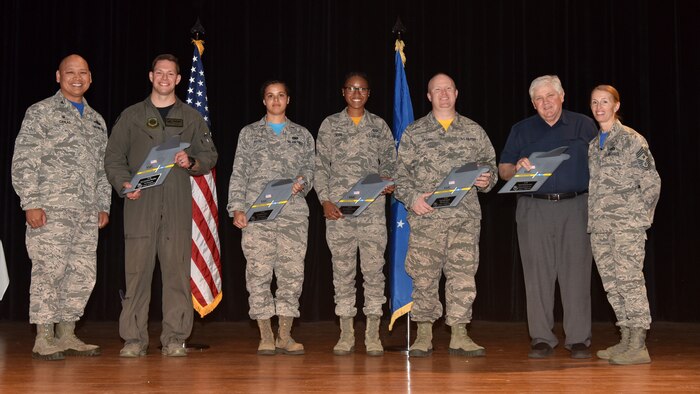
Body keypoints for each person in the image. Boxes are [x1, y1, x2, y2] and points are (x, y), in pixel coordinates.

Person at [104, 54, 218, 358]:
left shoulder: (192, 117)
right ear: (151, 76)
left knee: (177, 273)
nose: (165, 78)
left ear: (179, 79)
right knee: (137, 273)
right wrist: (124, 184)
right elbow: (113, 158)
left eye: (171, 74)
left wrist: (191, 161)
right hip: (140, 203)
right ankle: (133, 339)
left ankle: (175, 338)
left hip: (178, 205)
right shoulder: (131, 116)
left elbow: (210, 156)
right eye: (160, 73)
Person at [11, 54, 111, 360]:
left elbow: (102, 169)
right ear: (58, 76)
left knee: (82, 274)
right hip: (50, 209)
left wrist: (103, 204)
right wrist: (31, 202)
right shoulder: (41, 112)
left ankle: (67, 334)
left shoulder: (96, 120)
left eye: (83, 73)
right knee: (48, 271)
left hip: (85, 212)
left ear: (91, 78)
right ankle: (44, 336)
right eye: (70, 73)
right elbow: (25, 160)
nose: (77, 78)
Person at [395, 73, 497, 358]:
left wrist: (486, 179)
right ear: (428, 96)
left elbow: (491, 166)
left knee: (463, 277)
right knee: (424, 277)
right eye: (437, 90)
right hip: (427, 218)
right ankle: (424, 334)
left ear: (456, 93)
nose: (443, 94)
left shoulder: (474, 131)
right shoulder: (414, 133)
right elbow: (400, 176)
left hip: (464, 219)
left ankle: (460, 334)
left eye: (448, 89)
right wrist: (413, 199)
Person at [499, 75, 597, 359]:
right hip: (534, 208)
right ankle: (542, 337)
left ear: (562, 96)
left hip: (576, 206)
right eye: (539, 99)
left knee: (576, 274)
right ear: (533, 103)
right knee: (537, 275)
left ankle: (578, 339)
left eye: (550, 96)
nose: (546, 103)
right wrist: (516, 167)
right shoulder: (521, 129)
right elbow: (502, 169)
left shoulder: (584, 125)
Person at [227, 80, 315, 355]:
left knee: (292, 275)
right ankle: (265, 335)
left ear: (288, 100)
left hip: (293, 215)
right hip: (258, 215)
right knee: (258, 274)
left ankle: (285, 335)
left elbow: (310, 171)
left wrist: (303, 181)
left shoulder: (302, 135)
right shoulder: (250, 134)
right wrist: (236, 208)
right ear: (263, 101)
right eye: (270, 96)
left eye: (280, 96)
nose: (275, 100)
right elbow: (239, 172)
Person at [315, 72, 396, 356]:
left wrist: (388, 179)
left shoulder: (379, 126)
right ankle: (347, 333)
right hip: (339, 213)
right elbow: (320, 166)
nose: (357, 93)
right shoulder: (330, 125)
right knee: (343, 273)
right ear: (343, 91)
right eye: (351, 88)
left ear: (369, 93)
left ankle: (373, 334)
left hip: (373, 212)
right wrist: (324, 200)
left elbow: (390, 160)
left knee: (374, 273)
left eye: (362, 88)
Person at [588, 85, 660, 365]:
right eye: (594, 102)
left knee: (630, 281)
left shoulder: (632, 140)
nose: (599, 107)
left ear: (616, 106)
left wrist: (640, 218)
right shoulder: (594, 145)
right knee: (612, 284)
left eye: (605, 101)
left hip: (627, 225)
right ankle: (626, 339)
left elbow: (651, 182)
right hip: (601, 226)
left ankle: (639, 345)